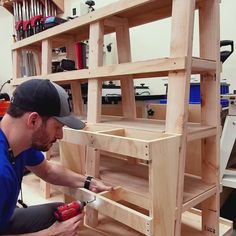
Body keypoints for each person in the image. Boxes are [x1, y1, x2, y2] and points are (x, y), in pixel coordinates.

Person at [0, 79, 112, 235]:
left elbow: (47, 170)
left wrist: (88, 182)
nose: (60, 135)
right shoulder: (1, 170)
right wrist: (53, 233)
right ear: (33, 120)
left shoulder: (18, 141)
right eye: (57, 127)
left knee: (60, 213)